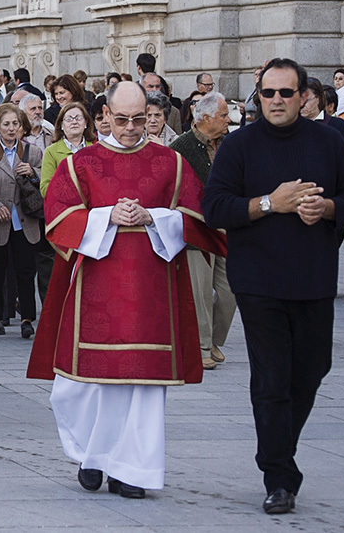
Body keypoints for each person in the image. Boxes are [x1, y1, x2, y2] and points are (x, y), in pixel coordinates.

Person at [27, 81, 225, 500]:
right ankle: (92, 455)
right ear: (105, 117)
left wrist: (154, 218)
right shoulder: (83, 164)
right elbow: (58, 216)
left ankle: (132, 470)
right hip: (95, 289)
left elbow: (196, 217)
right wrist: (106, 216)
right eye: (122, 119)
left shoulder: (170, 163)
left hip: (152, 292)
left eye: (140, 119)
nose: (131, 127)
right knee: (81, 385)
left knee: (143, 387)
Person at [202, 58, 344, 515]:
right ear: (259, 97)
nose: (276, 100)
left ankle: (277, 452)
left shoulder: (329, 142)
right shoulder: (239, 146)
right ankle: (278, 475)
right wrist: (267, 204)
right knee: (273, 379)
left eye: (285, 93)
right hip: (258, 282)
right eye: (268, 93)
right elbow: (215, 208)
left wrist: (329, 208)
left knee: (312, 372)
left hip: (313, 280)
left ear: (303, 97)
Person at [170, 92, 236, 369]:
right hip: (196, 233)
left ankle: (214, 341)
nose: (228, 120)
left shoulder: (230, 143)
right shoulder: (180, 148)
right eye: (223, 115)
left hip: (226, 230)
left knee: (231, 291)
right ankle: (201, 346)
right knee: (198, 292)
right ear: (205, 118)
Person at [0, 103, 42, 338]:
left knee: (26, 271)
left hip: (24, 221)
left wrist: (33, 173)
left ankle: (27, 318)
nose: (12, 128)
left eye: (15, 123)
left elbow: (44, 179)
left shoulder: (32, 151)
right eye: (6, 124)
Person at [40, 102, 96, 197]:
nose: (74, 122)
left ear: (86, 123)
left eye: (78, 118)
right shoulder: (51, 151)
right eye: (69, 119)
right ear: (61, 125)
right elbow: (45, 189)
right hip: (65, 207)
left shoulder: (95, 148)